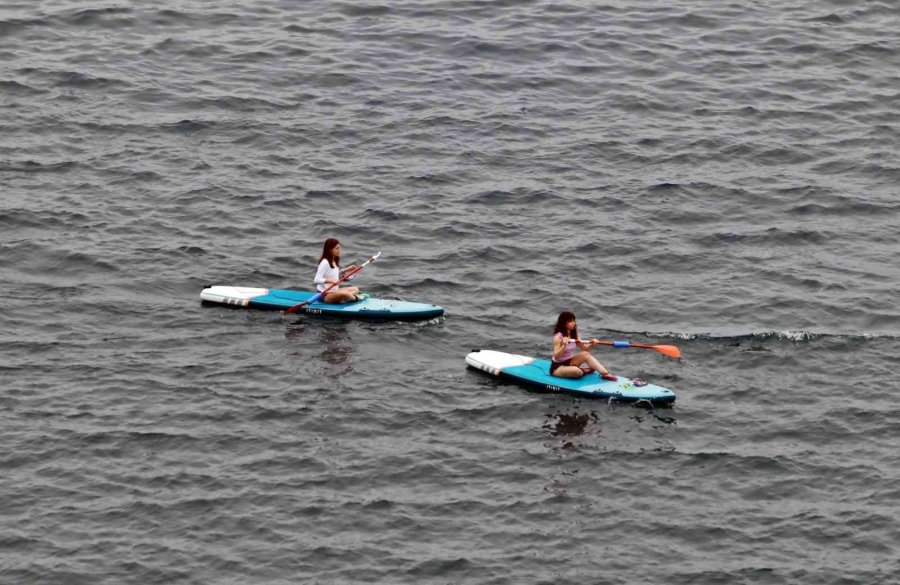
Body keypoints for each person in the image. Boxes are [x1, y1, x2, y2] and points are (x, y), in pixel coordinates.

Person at [550, 311, 616, 380]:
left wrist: (592, 344)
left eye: (574, 321)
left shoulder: (573, 334)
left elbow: (584, 348)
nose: (573, 323)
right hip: (557, 367)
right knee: (577, 372)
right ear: (564, 323)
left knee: (585, 354)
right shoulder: (558, 337)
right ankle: (584, 370)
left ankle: (605, 374)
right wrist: (564, 345)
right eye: (570, 321)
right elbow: (556, 357)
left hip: (569, 362)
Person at [313, 238, 369, 303]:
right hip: (325, 294)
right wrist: (332, 281)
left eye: (339, 248)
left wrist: (346, 269)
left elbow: (332, 273)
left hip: (334, 291)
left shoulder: (333, 260)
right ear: (330, 250)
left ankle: (347, 297)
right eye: (337, 249)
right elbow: (316, 279)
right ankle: (357, 298)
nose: (339, 250)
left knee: (355, 289)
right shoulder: (324, 262)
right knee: (344, 294)